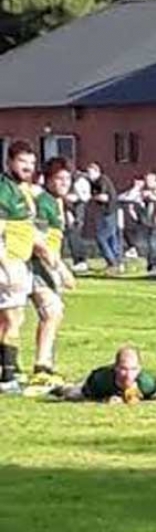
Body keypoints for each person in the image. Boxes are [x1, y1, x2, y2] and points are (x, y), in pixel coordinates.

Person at [27, 157, 77, 388]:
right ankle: (41, 366)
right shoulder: (43, 202)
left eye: (67, 178)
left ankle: (43, 364)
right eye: (59, 178)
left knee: (50, 313)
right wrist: (61, 269)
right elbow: (37, 241)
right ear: (47, 179)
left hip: (46, 264)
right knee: (52, 311)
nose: (64, 182)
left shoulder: (58, 202)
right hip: (33, 264)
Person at [0, 141, 39, 394]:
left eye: (32, 163)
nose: (28, 167)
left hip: (19, 259)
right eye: (23, 162)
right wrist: (5, 264)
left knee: (7, 320)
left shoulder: (20, 189)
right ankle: (9, 376)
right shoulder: (5, 189)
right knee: (13, 318)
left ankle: (6, 369)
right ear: (10, 162)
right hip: (9, 261)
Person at [55, 345, 156, 404]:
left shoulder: (147, 383)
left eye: (133, 369)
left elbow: (155, 395)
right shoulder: (101, 380)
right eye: (123, 369)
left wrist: (139, 395)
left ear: (139, 369)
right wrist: (104, 400)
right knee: (73, 394)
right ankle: (60, 387)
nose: (128, 375)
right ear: (115, 367)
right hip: (89, 387)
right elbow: (88, 396)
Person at [87, 162, 122, 272]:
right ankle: (117, 262)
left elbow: (104, 197)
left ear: (97, 171)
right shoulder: (93, 182)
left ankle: (112, 262)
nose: (89, 175)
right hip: (104, 213)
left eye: (90, 172)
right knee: (111, 239)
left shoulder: (102, 181)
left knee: (101, 237)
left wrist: (92, 197)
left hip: (109, 212)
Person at [66, 169, 91, 272]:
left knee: (74, 234)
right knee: (72, 235)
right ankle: (78, 260)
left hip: (78, 207)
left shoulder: (81, 182)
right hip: (72, 208)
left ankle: (80, 260)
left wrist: (75, 198)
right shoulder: (75, 181)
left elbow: (85, 197)